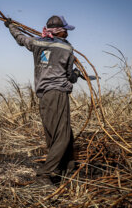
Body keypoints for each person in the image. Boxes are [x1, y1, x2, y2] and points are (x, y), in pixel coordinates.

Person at [4, 16, 80, 183]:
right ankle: (45, 174)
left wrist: (11, 26)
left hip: (44, 94)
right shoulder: (67, 48)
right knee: (63, 136)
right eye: (65, 29)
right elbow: (70, 76)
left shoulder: (37, 43)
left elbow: (20, 39)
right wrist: (77, 74)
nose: (67, 32)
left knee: (53, 134)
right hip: (58, 93)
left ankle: (65, 169)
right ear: (59, 30)